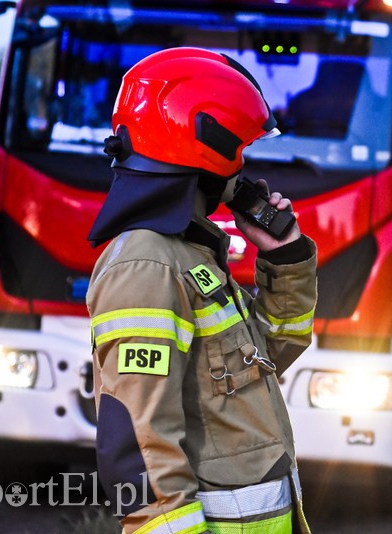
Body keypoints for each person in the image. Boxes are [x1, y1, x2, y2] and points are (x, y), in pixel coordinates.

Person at [86, 47, 317, 534]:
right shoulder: (146, 267)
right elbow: (141, 443)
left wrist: (284, 260)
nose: (243, 165)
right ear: (206, 146)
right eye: (239, 150)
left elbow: (264, 360)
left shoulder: (188, 254)